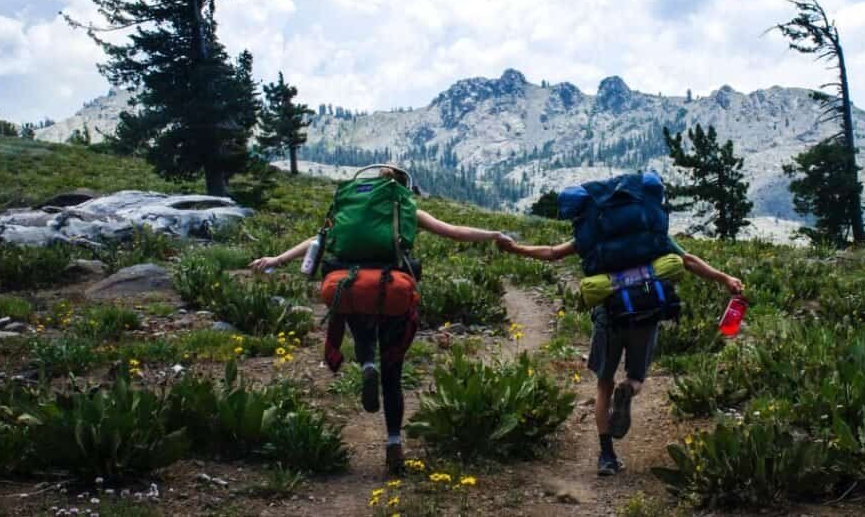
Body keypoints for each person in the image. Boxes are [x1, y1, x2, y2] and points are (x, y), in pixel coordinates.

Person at [250, 167, 513, 474]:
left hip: (350, 286)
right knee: (394, 373)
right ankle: (392, 443)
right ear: (402, 187)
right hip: (392, 289)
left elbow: (316, 240)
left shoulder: (349, 210)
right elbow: (454, 231)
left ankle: (365, 364)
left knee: (362, 333)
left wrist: (277, 259)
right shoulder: (407, 209)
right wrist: (494, 234)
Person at [496, 234, 744, 476]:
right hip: (646, 311)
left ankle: (606, 456)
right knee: (637, 378)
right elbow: (688, 260)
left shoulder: (595, 228)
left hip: (610, 313)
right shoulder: (649, 227)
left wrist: (515, 248)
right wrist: (724, 278)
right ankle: (628, 388)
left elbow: (553, 252)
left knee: (603, 385)